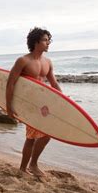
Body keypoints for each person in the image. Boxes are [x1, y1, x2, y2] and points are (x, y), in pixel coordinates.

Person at [5, 27, 62, 177]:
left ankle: (29, 166)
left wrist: (64, 102)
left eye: (49, 39)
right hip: (28, 104)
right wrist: (9, 106)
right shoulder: (23, 61)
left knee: (43, 135)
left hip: (42, 105)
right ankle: (27, 167)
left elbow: (54, 84)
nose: (48, 42)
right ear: (36, 42)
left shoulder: (47, 62)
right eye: (45, 40)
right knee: (34, 137)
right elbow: (10, 83)